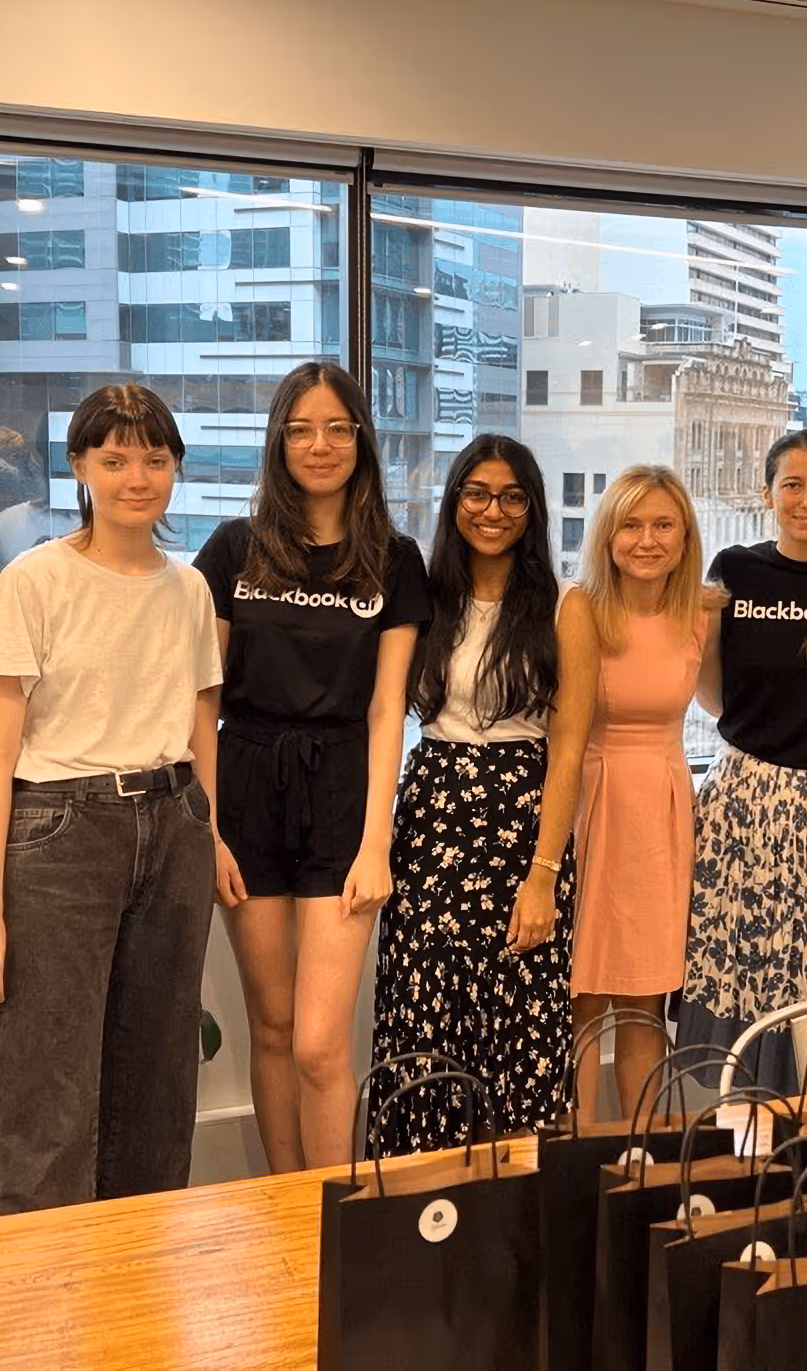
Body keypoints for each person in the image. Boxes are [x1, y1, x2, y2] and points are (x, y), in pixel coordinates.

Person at [0, 384, 230, 1214]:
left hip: (174, 822)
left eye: (154, 459)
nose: (136, 478)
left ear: (176, 467)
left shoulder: (188, 590)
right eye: (113, 460)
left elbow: (199, 721)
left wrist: (209, 833)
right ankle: (38, 1312)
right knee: (48, 1087)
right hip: (59, 832)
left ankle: (137, 1290)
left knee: (157, 1083)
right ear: (79, 467)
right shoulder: (35, 579)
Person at [192, 362, 428, 1172]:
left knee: (323, 1043)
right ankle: (283, 1203)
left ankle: (336, 1212)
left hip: (343, 790)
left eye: (336, 427)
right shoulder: (233, 549)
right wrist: (210, 828)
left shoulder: (395, 561)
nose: (319, 445)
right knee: (272, 1029)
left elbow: (387, 708)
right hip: (247, 781)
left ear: (360, 439)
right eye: (300, 429)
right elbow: (201, 701)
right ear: (278, 443)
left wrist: (376, 843)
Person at [371, 435, 597, 1151]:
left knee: (518, 1018)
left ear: (531, 508)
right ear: (454, 502)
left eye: (510, 496)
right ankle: (417, 1209)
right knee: (423, 1010)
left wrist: (544, 877)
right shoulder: (426, 598)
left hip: (522, 821)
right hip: (433, 812)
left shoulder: (567, 606)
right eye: (476, 493)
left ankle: (513, 1232)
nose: (491, 511)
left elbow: (568, 752)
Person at [679, 430, 807, 1093]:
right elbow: (711, 690)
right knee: (749, 963)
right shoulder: (735, 568)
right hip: (749, 800)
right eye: (792, 485)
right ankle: (749, 1143)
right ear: (766, 494)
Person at [567, 465, 716, 1121]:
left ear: (685, 538)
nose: (647, 540)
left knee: (646, 1000)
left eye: (663, 525)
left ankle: (642, 1167)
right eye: (631, 524)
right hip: (588, 803)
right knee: (579, 999)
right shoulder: (580, 609)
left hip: (661, 809)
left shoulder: (701, 614)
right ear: (607, 535)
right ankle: (568, 1166)